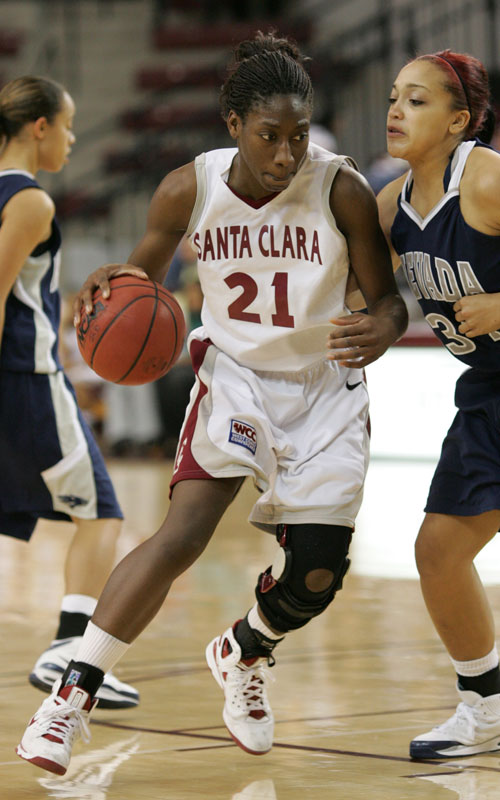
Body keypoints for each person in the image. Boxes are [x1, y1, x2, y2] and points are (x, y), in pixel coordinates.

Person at [16, 32, 407, 776]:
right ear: (234, 125)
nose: (287, 154)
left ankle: (245, 650)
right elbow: (137, 283)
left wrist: (382, 329)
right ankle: (68, 700)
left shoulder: (341, 188)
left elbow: (388, 303)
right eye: (269, 136)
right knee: (182, 533)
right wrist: (111, 283)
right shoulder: (187, 188)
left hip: (324, 387)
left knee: (318, 574)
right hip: (236, 378)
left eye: (299, 135)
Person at [0, 76, 139, 710]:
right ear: (39, 128)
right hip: (26, 380)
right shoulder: (30, 201)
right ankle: (68, 649)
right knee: (101, 515)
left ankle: (69, 646)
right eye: (68, 125)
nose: (73, 138)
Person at [376, 49, 500, 759]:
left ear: (459, 120)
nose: (396, 110)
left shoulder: (486, 180)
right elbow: (350, 288)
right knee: (439, 552)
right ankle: (486, 706)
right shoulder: (391, 205)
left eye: (417, 100)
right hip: (487, 393)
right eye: (394, 97)